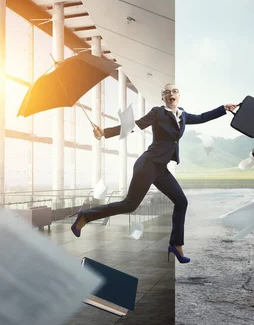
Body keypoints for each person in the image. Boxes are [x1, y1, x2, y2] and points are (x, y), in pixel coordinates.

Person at [71, 83, 238, 264]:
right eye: (166, 92)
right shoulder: (158, 112)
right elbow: (135, 125)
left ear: (178, 95)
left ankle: (176, 245)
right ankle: (86, 216)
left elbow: (203, 117)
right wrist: (105, 132)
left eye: (174, 91)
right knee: (129, 205)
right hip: (147, 165)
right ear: (163, 98)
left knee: (181, 201)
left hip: (161, 168)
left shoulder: (182, 115)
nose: (171, 94)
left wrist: (224, 108)